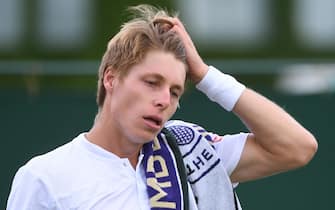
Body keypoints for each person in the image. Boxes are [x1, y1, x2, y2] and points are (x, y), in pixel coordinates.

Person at [7, 4, 318, 210]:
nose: (164, 99)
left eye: (175, 90)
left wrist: (207, 76)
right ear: (111, 78)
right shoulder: (43, 177)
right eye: (151, 82)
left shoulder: (189, 152)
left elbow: (296, 147)